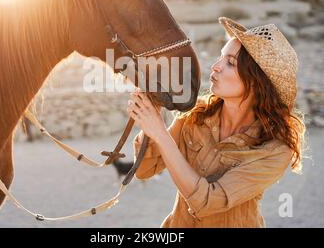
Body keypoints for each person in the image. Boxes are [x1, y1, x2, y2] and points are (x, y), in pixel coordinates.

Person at [127, 17, 305, 227]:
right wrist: (152, 113)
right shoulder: (198, 114)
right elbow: (144, 169)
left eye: (230, 63)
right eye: (220, 57)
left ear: (258, 82)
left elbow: (208, 202)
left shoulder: (275, 150)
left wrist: (160, 133)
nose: (215, 67)